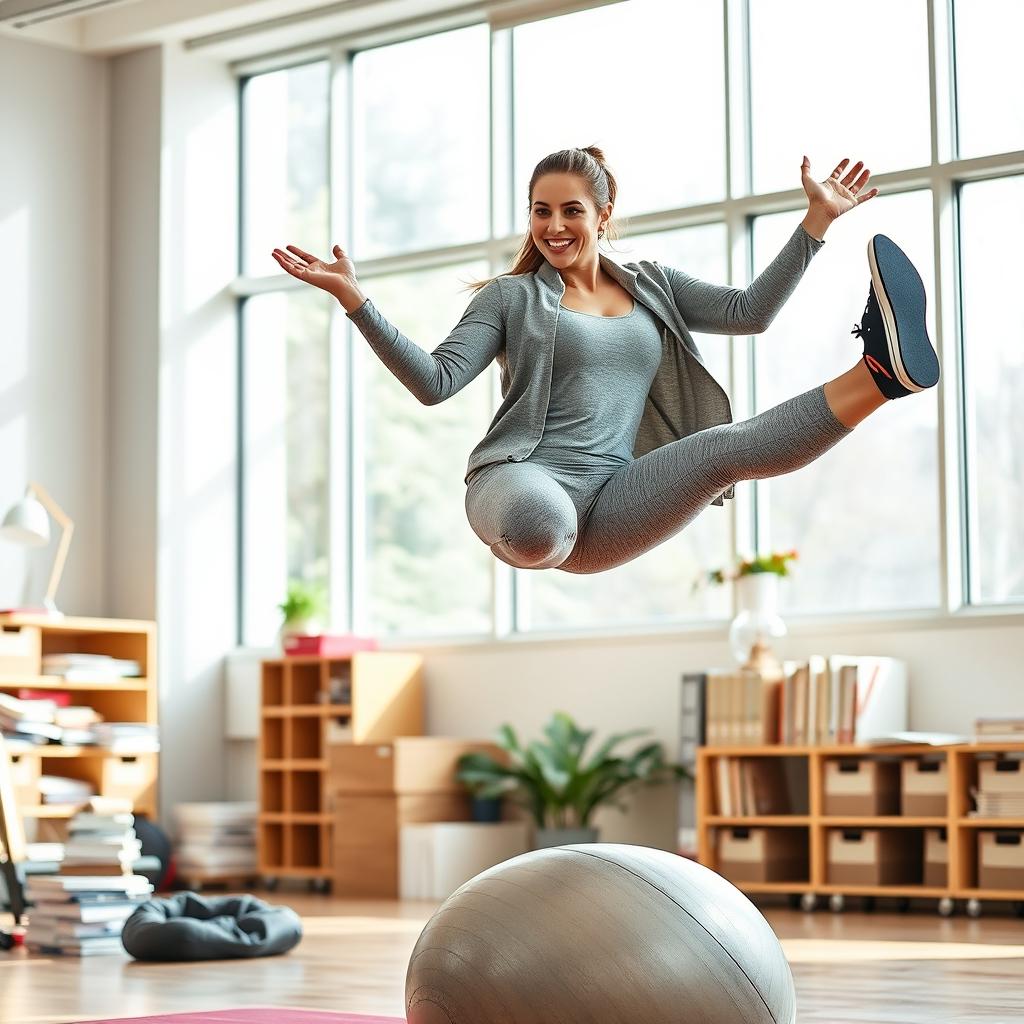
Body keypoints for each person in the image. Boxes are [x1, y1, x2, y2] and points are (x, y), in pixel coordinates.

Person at [272, 146, 939, 575]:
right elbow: (434, 381)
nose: (554, 226)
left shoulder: (652, 285)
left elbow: (749, 312)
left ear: (604, 214)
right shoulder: (511, 297)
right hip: (522, 482)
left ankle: (879, 374)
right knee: (539, 525)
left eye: (570, 211)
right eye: (541, 212)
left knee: (723, 450)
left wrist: (815, 221)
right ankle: (537, 531)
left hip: (617, 499)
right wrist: (357, 301)